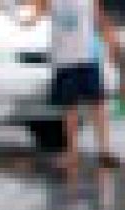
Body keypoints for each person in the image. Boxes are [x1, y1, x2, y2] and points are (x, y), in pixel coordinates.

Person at [42, 0, 124, 168]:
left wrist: (113, 43)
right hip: (64, 60)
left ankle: (105, 152)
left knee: (98, 105)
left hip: (88, 58)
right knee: (69, 108)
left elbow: (100, 20)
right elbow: (34, 14)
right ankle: (72, 154)